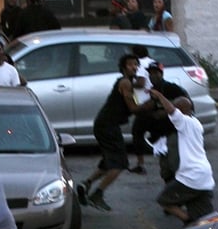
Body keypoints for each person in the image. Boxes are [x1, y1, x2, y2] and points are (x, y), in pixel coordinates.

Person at [76, 54, 154, 212]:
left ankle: (86, 184)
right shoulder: (125, 83)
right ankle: (98, 194)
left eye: (136, 64)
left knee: (109, 161)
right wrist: (149, 105)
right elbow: (133, 108)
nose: (134, 67)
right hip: (108, 125)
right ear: (124, 67)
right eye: (131, 64)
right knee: (120, 163)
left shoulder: (128, 83)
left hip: (107, 124)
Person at [148, 89, 214, 225]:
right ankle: (198, 226)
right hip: (204, 175)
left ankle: (187, 221)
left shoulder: (185, 123)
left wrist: (160, 96)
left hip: (191, 176)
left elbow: (172, 111)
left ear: (182, 110)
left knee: (164, 200)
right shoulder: (196, 123)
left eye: (177, 108)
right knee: (204, 219)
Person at [137, 61, 190, 183]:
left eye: (156, 73)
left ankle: (179, 190)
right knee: (165, 168)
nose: (153, 75)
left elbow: (187, 105)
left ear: (161, 74)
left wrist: (166, 112)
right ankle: (171, 189)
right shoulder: (149, 91)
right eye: (150, 73)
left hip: (173, 132)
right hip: (159, 135)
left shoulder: (171, 88)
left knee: (175, 164)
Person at [129, 45, 156, 174]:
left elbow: (140, 83)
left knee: (137, 133)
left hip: (144, 104)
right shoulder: (152, 62)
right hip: (154, 101)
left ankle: (140, 164)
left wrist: (127, 84)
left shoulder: (140, 64)